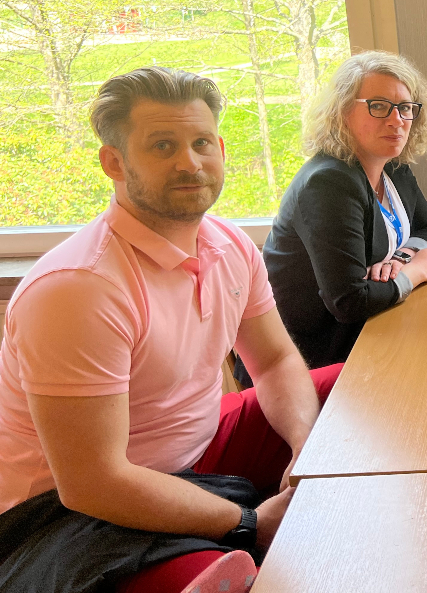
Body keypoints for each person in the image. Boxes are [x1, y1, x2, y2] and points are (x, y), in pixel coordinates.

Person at [0, 67, 340, 592]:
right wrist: (249, 523)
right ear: (113, 162)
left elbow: (272, 363)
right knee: (222, 581)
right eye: (162, 145)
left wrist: (305, 451)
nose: (190, 162)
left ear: (221, 148)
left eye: (201, 142)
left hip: (201, 446)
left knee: (355, 389)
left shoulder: (230, 245)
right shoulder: (78, 290)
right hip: (70, 516)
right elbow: (94, 483)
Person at [262, 51, 427, 371]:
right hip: (317, 359)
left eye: (405, 108)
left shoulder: (393, 166)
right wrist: (416, 271)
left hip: (376, 328)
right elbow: (349, 302)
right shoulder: (328, 183)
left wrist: (401, 257)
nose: (397, 120)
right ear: (343, 113)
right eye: (378, 106)